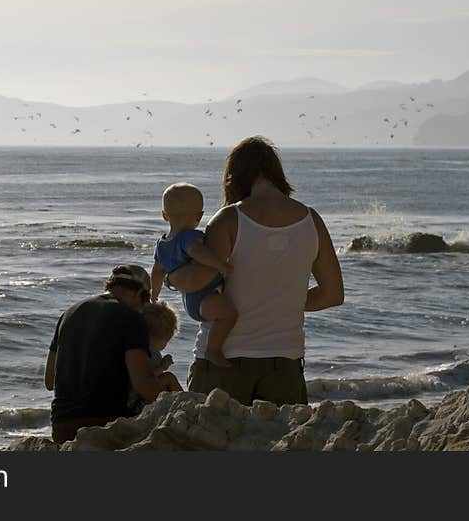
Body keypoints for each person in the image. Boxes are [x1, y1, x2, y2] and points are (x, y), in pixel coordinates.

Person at [166, 136, 344, 406]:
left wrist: (168, 278)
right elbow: (333, 294)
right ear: (276, 173)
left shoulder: (229, 218)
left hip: (225, 360)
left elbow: (196, 280)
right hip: (284, 362)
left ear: (233, 177)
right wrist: (281, 301)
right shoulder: (312, 220)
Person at [44, 264, 181, 443]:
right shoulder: (132, 319)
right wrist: (178, 411)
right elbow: (144, 386)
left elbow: (49, 381)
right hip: (107, 424)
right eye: (146, 300)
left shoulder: (69, 313)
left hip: (62, 427)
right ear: (139, 293)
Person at [151, 182, 237, 367]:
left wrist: (154, 294)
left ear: (164, 216)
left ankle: (212, 349)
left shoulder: (162, 244)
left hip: (191, 299)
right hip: (204, 296)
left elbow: (157, 272)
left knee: (226, 314)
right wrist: (222, 265)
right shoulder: (188, 236)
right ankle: (213, 349)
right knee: (229, 315)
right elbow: (199, 253)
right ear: (199, 217)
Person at [128, 302, 180, 415]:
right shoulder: (151, 352)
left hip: (123, 399)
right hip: (134, 403)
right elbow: (145, 377)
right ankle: (185, 403)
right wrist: (162, 367)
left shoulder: (131, 346)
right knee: (169, 377)